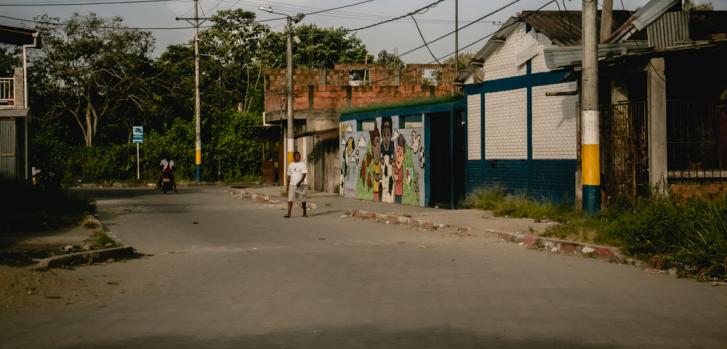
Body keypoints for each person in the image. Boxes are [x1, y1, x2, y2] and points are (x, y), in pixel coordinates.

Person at [285, 151, 308, 218]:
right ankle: (289, 213)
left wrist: (300, 182)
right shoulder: (290, 165)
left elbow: (304, 174)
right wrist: (287, 186)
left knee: (303, 199)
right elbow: (289, 176)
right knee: (290, 199)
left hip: (300, 185)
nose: (298, 157)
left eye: (299, 156)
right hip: (292, 185)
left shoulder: (302, 164)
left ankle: (304, 212)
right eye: (296, 156)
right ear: (294, 157)